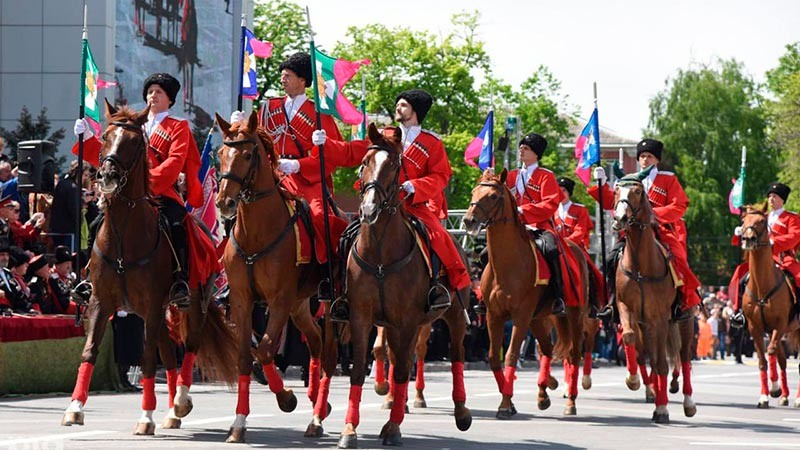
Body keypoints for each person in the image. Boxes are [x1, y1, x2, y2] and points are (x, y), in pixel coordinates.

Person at [318, 89, 471, 319]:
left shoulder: (432, 143)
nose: (398, 109)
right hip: (378, 203)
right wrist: (326, 144)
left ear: (416, 111)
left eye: (403, 105)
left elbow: (441, 176)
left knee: (439, 237)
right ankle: (337, 287)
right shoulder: (384, 135)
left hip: (414, 205)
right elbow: (352, 152)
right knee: (347, 235)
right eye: (398, 105)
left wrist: (416, 186)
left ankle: (439, 287)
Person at [73, 73, 208, 308]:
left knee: (176, 224)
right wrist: (86, 138)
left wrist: (147, 185)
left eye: (159, 92)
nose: (153, 95)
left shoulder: (178, 127)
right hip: (126, 194)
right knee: (97, 224)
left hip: (161, 193)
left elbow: (174, 163)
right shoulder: (132, 124)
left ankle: (179, 281)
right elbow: (111, 157)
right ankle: (91, 279)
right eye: (150, 91)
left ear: (170, 99)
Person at [230, 51, 350, 269]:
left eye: (288, 76)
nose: (283, 80)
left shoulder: (320, 114)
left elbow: (332, 158)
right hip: (272, 174)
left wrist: (298, 164)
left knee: (319, 216)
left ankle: (326, 272)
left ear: (302, 81)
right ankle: (233, 271)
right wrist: (238, 125)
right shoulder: (269, 107)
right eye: (282, 75)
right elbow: (252, 141)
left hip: (307, 179)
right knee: (236, 207)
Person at [591, 138, 701, 321]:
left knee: (678, 258)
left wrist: (653, 215)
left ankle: (682, 301)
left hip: (661, 230)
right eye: (642, 156)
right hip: (632, 232)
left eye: (649, 156)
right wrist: (601, 185)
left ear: (657, 159)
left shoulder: (668, 179)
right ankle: (611, 303)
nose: (645, 160)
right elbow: (613, 202)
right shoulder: (628, 180)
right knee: (610, 260)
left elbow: (680, 205)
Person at [506, 134, 584, 316]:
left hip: (538, 225)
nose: (522, 151)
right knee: (488, 251)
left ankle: (558, 296)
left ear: (536, 154)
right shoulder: (511, 175)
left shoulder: (546, 176)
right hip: (513, 227)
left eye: (526, 149)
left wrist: (522, 211)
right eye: (521, 148)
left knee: (550, 249)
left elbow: (550, 204)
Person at [729, 182, 800, 328]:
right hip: (759, 259)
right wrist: (740, 232)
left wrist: (773, 242)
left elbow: (794, 237)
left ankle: (798, 312)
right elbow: (748, 235)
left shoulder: (791, 218)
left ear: (782, 200)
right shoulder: (760, 218)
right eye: (770, 196)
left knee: (799, 277)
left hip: (782, 257)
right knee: (740, 276)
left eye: (775, 196)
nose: (771, 199)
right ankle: (740, 311)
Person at [48, 160, 90, 252]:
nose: (85, 179)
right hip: (69, 231)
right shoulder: (73, 187)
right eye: (85, 175)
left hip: (57, 229)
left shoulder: (62, 183)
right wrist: (83, 201)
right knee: (69, 258)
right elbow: (74, 209)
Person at [4, 246, 38, 314]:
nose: (27, 265)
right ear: (16, 266)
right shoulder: (10, 278)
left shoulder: (20, 280)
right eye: (24, 263)